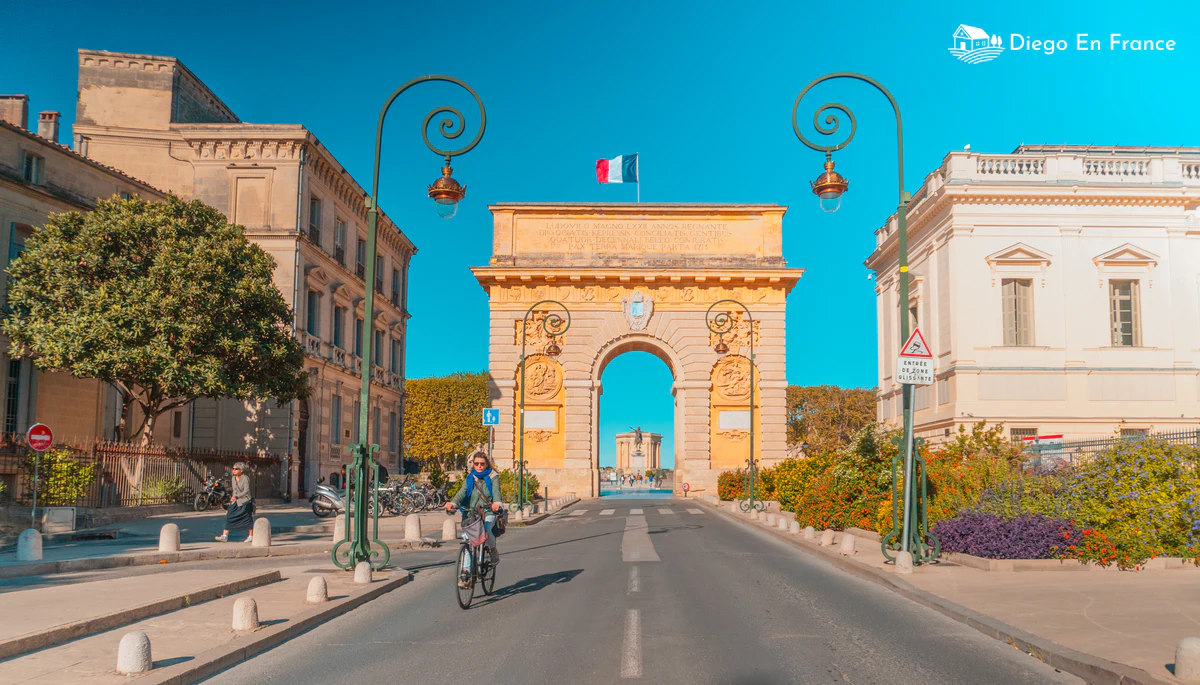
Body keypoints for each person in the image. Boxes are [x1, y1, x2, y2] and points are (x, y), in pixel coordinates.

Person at [445, 452, 502, 588]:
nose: (479, 466)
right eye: (476, 464)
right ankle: (465, 574)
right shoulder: (471, 477)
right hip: (471, 513)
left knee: (487, 530)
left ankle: (493, 550)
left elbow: (496, 492)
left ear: (487, 464)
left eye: (482, 464)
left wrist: (497, 503)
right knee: (467, 541)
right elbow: (462, 493)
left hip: (487, 511)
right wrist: (452, 503)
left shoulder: (493, 476)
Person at [215, 462, 255, 543]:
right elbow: (234, 491)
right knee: (229, 515)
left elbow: (246, 491)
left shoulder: (245, 478)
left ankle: (251, 536)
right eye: (233, 468)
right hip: (236, 501)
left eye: (236, 469)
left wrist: (237, 497)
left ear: (241, 470)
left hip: (245, 501)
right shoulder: (233, 478)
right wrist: (232, 500)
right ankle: (225, 536)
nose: (234, 470)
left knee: (247, 518)